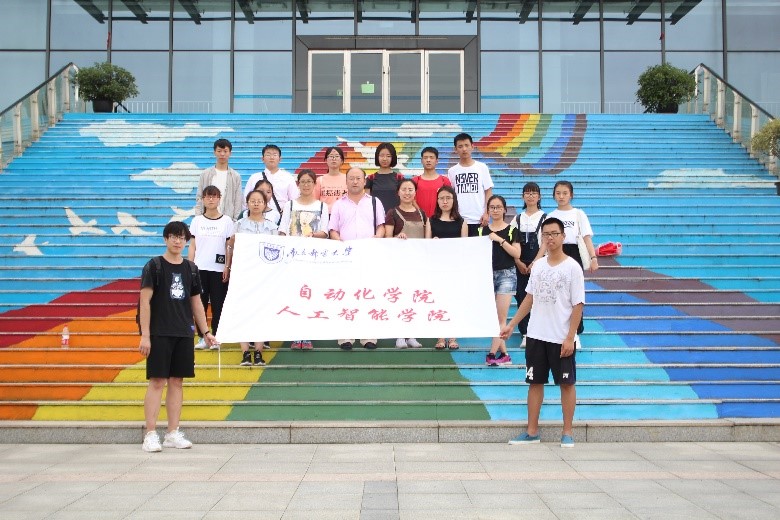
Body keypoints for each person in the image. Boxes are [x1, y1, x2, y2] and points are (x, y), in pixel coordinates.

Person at [501, 217, 585, 448]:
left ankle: (567, 432)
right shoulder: (538, 266)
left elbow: (578, 305)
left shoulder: (572, 268)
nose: (550, 238)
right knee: (534, 382)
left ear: (563, 236)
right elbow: (529, 298)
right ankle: (532, 431)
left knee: (566, 384)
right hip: (536, 334)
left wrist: (570, 337)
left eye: (554, 234)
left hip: (561, 337)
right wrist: (512, 324)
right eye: (546, 234)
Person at [138, 221, 216, 452]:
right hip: (159, 332)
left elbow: (196, 302)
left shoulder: (191, 269)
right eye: (173, 236)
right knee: (157, 382)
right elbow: (144, 302)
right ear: (165, 239)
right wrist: (145, 335)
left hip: (183, 333)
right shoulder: (154, 266)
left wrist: (206, 332)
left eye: (182, 237)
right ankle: (150, 434)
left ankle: (172, 432)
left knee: (177, 382)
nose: (177, 241)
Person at [329, 167, 386, 350]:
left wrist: (378, 237)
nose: (355, 182)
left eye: (358, 178)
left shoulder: (375, 202)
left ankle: (368, 336)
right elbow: (333, 229)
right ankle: (346, 336)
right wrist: (338, 241)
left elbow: (381, 226)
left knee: (368, 294)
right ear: (346, 181)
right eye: (351, 178)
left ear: (364, 180)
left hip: (369, 256)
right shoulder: (338, 204)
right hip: (346, 257)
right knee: (346, 294)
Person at [279, 170, 330, 350]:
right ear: (298, 184)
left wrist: (312, 235)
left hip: (313, 259)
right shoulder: (290, 205)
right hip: (293, 259)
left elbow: (325, 232)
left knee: (310, 296)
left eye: (309, 181)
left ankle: (307, 336)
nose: (306, 185)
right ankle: (295, 335)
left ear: (315, 184)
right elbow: (282, 230)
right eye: (303, 182)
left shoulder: (322, 206)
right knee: (294, 296)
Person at [227, 190, 278, 366]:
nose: (256, 204)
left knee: (261, 313)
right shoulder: (239, 224)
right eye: (252, 201)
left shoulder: (271, 227)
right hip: (243, 274)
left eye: (259, 201)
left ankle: (258, 352)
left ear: (265, 204)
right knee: (243, 312)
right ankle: (245, 353)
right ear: (247, 203)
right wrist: (228, 265)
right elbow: (230, 246)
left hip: (264, 276)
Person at [548, 180, 597, 346]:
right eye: (558, 193)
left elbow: (586, 237)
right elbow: (546, 240)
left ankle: (575, 331)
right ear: (554, 195)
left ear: (571, 195)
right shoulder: (551, 216)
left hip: (574, 254)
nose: (561, 196)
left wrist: (593, 258)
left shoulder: (578, 214)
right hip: (556, 254)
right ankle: (559, 330)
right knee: (557, 292)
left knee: (575, 293)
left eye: (565, 193)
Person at [188, 186, 234, 350]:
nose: (211, 199)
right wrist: (190, 266)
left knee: (218, 304)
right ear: (203, 199)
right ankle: (202, 337)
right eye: (208, 196)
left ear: (219, 198)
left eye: (214, 196)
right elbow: (192, 245)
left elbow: (229, 246)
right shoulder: (197, 221)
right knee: (199, 304)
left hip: (219, 270)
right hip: (199, 269)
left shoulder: (227, 221)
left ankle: (216, 337)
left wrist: (227, 266)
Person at [384, 179, 427, 349]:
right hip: (399, 263)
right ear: (398, 192)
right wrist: (397, 237)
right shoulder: (392, 213)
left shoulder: (422, 214)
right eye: (404, 189)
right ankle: (400, 335)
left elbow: (427, 239)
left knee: (414, 298)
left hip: (418, 263)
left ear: (415, 193)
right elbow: (387, 238)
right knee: (400, 298)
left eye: (410, 189)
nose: (407, 193)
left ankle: (412, 335)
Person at [425, 185, 467, 350]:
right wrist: (433, 243)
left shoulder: (461, 222)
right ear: (437, 201)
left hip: (455, 268)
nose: (444, 201)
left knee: (454, 301)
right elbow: (426, 246)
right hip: (437, 267)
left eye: (448, 198)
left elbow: (464, 247)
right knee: (438, 301)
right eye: (441, 198)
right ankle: (440, 337)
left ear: (453, 200)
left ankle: (453, 337)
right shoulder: (431, 221)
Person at [481, 195, 521, 366]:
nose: (495, 210)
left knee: (500, 317)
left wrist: (500, 240)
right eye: (492, 207)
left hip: (507, 275)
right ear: (488, 210)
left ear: (504, 209)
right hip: (486, 275)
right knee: (493, 317)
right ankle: (504, 354)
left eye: (498, 207)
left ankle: (491, 354)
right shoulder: (481, 231)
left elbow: (517, 253)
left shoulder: (512, 230)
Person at [509, 182, 547, 347]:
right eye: (527, 193)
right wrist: (518, 262)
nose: (530, 196)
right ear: (522, 196)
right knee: (522, 297)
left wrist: (535, 262)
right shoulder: (517, 219)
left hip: (539, 263)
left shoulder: (545, 218)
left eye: (534, 193)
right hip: (520, 265)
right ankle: (525, 332)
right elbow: (511, 241)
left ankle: (539, 332)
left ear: (539, 197)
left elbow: (545, 243)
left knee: (539, 298)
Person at [447, 133, 493, 236]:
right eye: (460, 146)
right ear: (455, 149)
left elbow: (488, 192)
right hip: (458, 220)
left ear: (472, 146)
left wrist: (487, 213)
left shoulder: (482, 167)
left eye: (466, 145)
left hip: (479, 220)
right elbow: (450, 195)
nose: (464, 149)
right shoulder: (452, 171)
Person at [195, 138, 243, 220]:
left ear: (230, 153)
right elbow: (199, 197)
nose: (222, 154)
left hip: (227, 219)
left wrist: (235, 221)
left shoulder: (235, 176)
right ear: (214, 152)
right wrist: (198, 218)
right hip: (206, 218)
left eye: (225, 151)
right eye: (219, 151)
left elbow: (238, 201)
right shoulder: (205, 174)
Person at [244, 144, 299, 212]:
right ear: (262, 159)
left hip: (282, 216)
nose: (272, 157)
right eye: (268, 155)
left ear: (280, 159)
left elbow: (294, 200)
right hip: (259, 215)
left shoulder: (288, 178)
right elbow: (246, 201)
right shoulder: (254, 178)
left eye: (275, 155)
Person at [412, 146, 451, 218]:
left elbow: (449, 201)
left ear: (437, 161)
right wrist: (422, 215)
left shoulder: (444, 181)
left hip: (439, 220)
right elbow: (411, 200)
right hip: (419, 220)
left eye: (431, 157)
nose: (428, 160)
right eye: (425, 158)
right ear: (421, 161)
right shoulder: (415, 181)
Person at [365, 142, 404, 213]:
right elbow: (366, 202)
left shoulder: (399, 178)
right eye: (382, 155)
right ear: (377, 157)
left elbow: (404, 202)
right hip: (376, 217)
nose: (385, 159)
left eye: (388, 156)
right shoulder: (370, 179)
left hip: (395, 217)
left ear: (393, 157)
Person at [314, 146, 348, 211]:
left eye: (337, 156)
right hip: (325, 214)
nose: (334, 159)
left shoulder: (348, 179)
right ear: (326, 160)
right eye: (331, 156)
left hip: (344, 214)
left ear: (342, 161)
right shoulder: (320, 180)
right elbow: (315, 201)